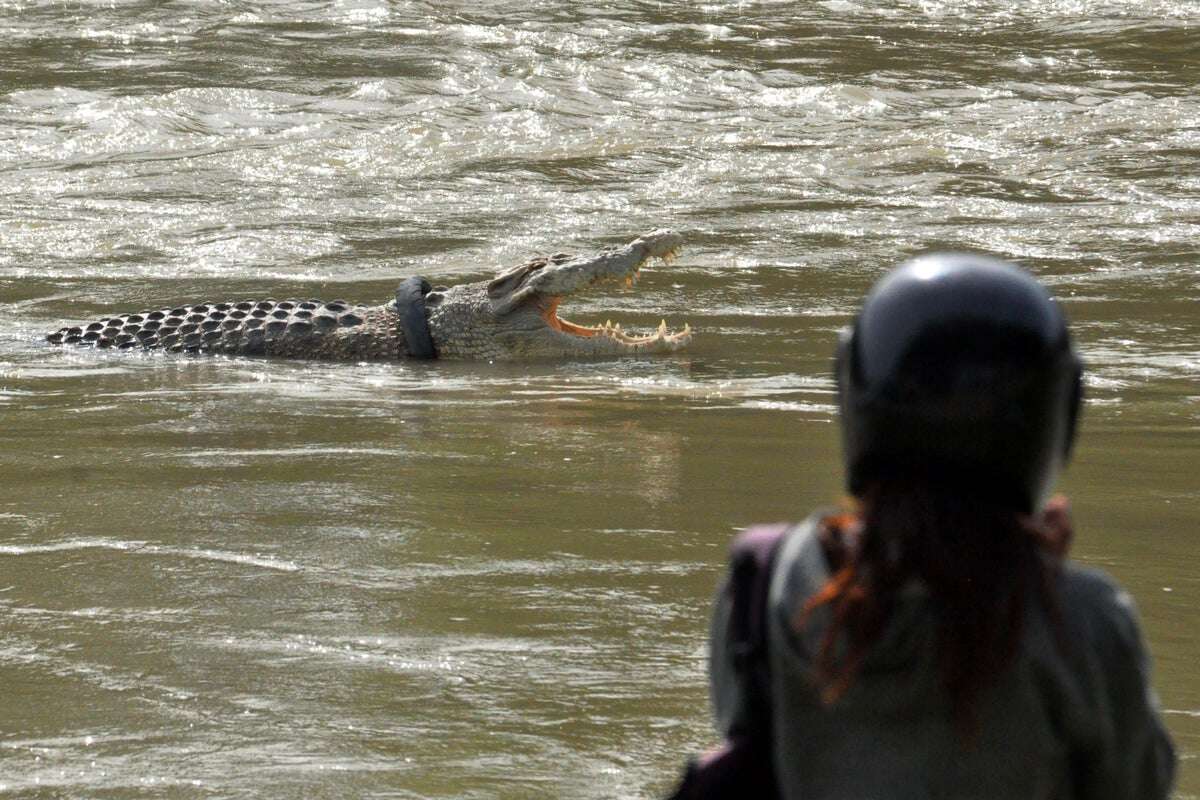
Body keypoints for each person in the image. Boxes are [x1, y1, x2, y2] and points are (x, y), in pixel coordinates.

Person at [699, 253, 1176, 799]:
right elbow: (1138, 785)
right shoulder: (1087, 621)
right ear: (1056, 412)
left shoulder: (767, 587)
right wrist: (1045, 586)